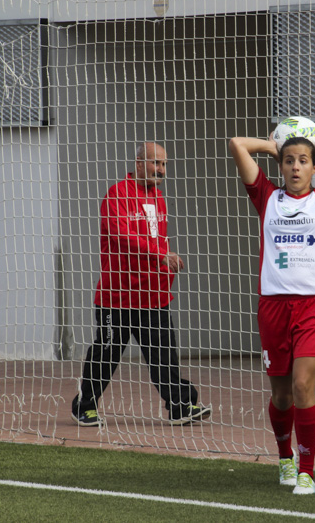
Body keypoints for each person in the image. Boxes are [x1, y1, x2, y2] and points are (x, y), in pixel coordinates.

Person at [228, 130, 315, 495]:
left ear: (314, 167)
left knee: (304, 385)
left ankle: (307, 471)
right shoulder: (266, 197)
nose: (295, 167)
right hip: (274, 306)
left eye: (303, 161)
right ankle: (284, 457)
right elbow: (238, 145)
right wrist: (276, 145)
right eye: (289, 161)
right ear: (281, 166)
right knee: (282, 395)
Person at [71, 142, 211, 427]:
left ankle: (179, 405)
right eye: (155, 163)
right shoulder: (117, 194)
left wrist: (166, 267)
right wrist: (160, 254)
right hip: (117, 296)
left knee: (164, 356)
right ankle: (85, 405)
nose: (160, 170)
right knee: (106, 354)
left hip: (153, 296)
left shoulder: (158, 197)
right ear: (138, 163)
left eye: (164, 165)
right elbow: (123, 237)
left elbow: (158, 242)